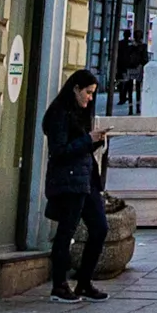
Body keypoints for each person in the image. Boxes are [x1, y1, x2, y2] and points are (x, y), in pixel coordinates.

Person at [40, 67, 110, 299]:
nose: (90, 98)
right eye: (88, 93)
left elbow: (80, 147)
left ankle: (84, 282)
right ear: (76, 89)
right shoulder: (60, 113)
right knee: (66, 232)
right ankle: (59, 285)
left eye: (93, 94)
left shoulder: (80, 113)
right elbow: (59, 151)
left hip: (85, 179)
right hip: (68, 180)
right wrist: (87, 140)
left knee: (100, 228)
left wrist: (94, 141)